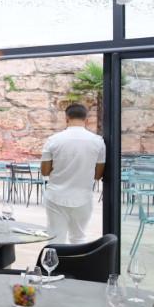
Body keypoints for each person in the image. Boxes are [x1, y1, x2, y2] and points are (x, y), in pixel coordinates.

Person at [40, 102, 106, 245]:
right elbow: (98, 174)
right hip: (83, 196)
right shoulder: (98, 142)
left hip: (56, 196)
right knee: (79, 237)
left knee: (55, 238)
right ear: (86, 120)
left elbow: (44, 171)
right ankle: (78, 267)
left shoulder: (53, 140)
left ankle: (55, 267)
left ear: (66, 119)